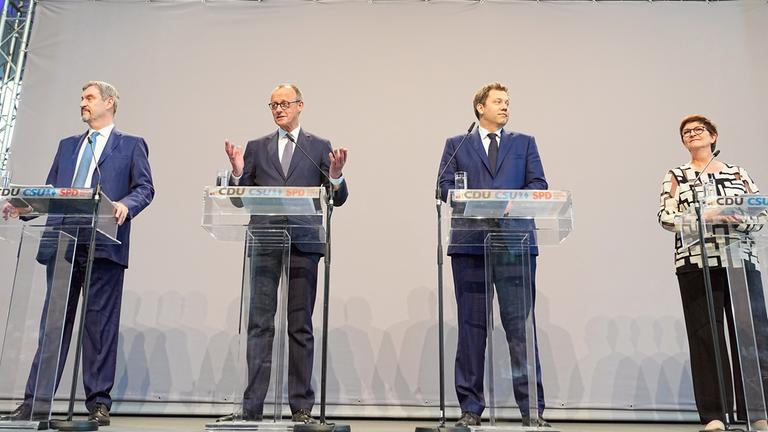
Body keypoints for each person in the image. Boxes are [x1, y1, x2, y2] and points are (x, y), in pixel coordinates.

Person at [0, 81, 155, 426]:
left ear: (109, 103)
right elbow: (51, 190)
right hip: (63, 243)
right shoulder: (67, 146)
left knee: (99, 327)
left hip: (104, 243)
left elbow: (145, 188)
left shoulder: (131, 145)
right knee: (52, 326)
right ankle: (35, 402)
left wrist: (126, 205)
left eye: (89, 98)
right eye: (82, 98)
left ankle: (98, 403)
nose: (82, 103)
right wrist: (22, 206)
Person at [221, 83, 348, 424]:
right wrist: (237, 172)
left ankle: (301, 407)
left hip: (304, 243)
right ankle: (252, 407)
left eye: (284, 103)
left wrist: (336, 177)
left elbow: (337, 198)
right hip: (265, 240)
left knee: (300, 325)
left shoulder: (317, 146)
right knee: (260, 325)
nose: (278, 109)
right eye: (273, 104)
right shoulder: (256, 147)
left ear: (300, 105)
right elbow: (238, 198)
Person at [437, 82, 548, 427]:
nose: (505, 106)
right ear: (480, 108)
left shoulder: (524, 143)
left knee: (520, 328)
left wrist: (514, 201)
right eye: (498, 101)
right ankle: (470, 408)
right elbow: (443, 186)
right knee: (472, 328)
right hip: (471, 244)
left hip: (515, 243)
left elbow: (538, 185)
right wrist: (471, 199)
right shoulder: (457, 144)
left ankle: (532, 411)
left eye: (507, 102)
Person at [657, 114, 768, 432]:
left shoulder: (737, 173)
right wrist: (704, 217)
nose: (692, 134)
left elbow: (761, 210)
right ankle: (714, 415)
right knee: (705, 337)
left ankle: (757, 412)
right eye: (686, 132)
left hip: (740, 260)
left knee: (751, 335)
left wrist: (737, 219)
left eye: (699, 130)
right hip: (696, 263)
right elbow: (666, 216)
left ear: (713, 136)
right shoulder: (677, 175)